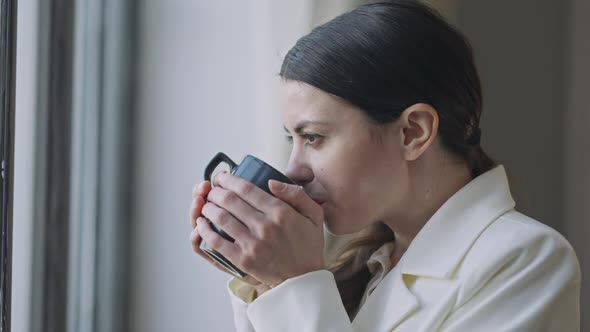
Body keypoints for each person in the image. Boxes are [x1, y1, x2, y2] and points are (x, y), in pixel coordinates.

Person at [189, 1, 581, 331]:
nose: (294, 171)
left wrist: (295, 283)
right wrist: (266, 282)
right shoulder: (364, 267)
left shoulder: (526, 260)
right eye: (293, 139)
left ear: (413, 132)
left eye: (314, 138)